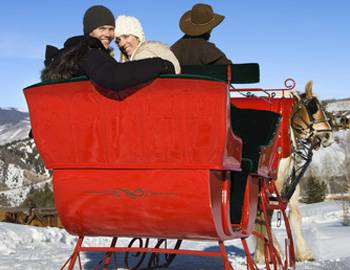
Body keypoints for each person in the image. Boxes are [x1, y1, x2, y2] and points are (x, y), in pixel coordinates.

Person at [41, 5, 175, 91]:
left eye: (111, 30)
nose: (108, 34)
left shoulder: (71, 53)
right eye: (102, 29)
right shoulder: (88, 51)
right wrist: (161, 64)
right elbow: (113, 77)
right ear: (90, 32)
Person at [114, 15, 181, 74]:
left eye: (126, 36)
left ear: (138, 37)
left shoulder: (141, 55)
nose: (121, 44)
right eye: (118, 41)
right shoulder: (154, 48)